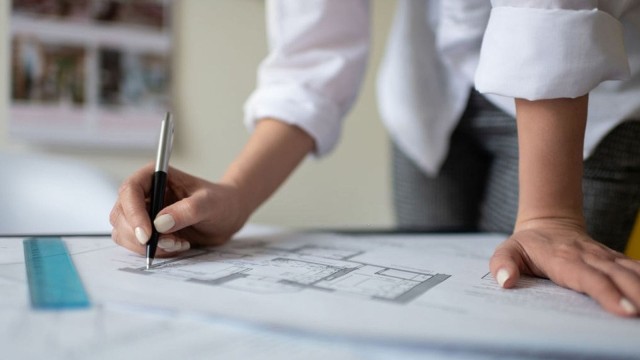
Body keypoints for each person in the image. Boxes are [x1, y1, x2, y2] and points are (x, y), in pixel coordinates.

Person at [110, 1, 640, 317]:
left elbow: (546, 12)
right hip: (429, 93)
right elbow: (313, 52)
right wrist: (234, 195)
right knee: (442, 313)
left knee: (538, 315)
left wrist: (550, 214)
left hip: (579, 94)